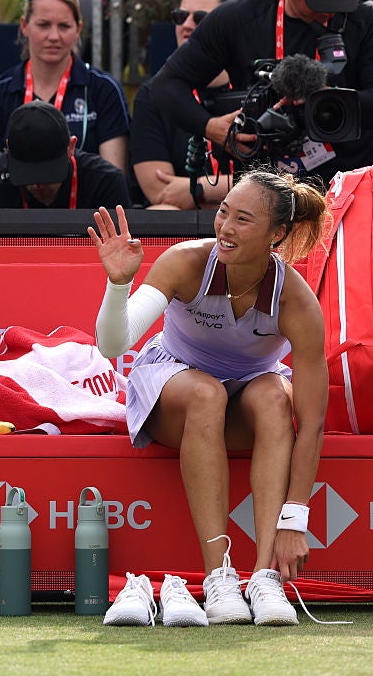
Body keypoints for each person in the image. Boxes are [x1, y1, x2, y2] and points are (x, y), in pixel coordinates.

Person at [89, 170, 330, 627]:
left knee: (275, 399)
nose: (226, 228)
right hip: (175, 391)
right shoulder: (186, 261)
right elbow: (113, 344)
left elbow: (312, 419)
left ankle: (265, 578)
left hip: (246, 398)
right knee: (206, 392)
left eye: (243, 219)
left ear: (277, 234)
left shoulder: (296, 299)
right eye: (223, 212)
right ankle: (219, 576)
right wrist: (119, 284)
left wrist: (294, 519)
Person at [150, 0, 373, 188]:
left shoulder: (369, 20)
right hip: (262, 193)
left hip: (349, 189)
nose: (330, 10)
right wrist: (210, 127)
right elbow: (166, 85)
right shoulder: (238, 18)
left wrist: (324, 99)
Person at [0, 0, 131, 172]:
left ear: (78, 29)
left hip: (84, 193)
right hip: (16, 193)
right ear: (24, 26)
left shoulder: (104, 90)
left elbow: (112, 179)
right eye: (43, 25)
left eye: (64, 26)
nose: (54, 36)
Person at [129, 0, 242, 210]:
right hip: (182, 218)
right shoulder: (153, 93)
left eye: (200, 18)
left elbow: (281, 180)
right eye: (180, 17)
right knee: (161, 212)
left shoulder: (253, 85)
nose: (187, 25)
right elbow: (161, 194)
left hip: (251, 216)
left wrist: (200, 189)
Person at [0, 100, 130, 209]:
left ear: (71, 147)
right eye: (28, 173)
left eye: (48, 173)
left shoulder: (105, 182)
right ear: (9, 149)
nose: (38, 185)